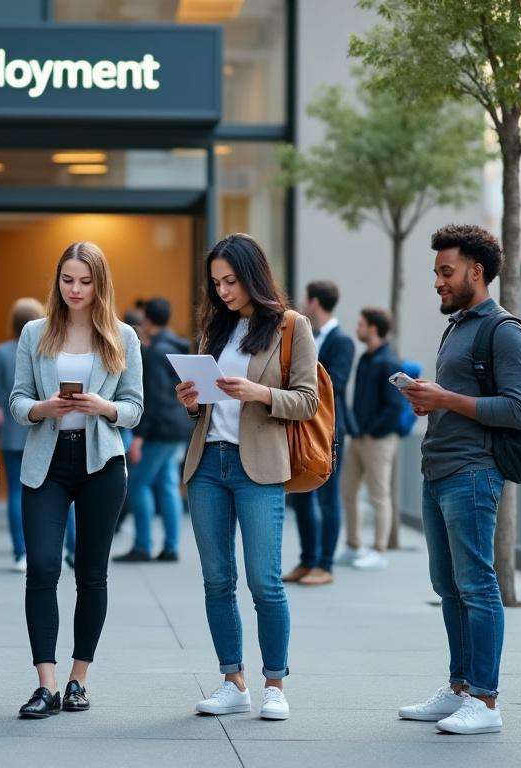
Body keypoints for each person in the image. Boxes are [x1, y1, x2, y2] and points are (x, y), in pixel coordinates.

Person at [177, 232, 319, 722]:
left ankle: (274, 683)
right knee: (217, 580)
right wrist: (193, 403)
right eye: (216, 283)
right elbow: (205, 408)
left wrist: (257, 393)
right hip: (207, 466)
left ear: (253, 277)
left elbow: (308, 400)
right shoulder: (213, 330)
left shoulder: (290, 327)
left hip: (258, 466)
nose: (223, 292)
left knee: (265, 582)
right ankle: (232, 680)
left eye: (231, 281)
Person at [397, 224, 521, 736]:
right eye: (436, 272)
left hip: (473, 474)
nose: (437, 281)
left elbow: (517, 410)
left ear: (477, 271)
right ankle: (459, 688)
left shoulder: (504, 330)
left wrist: (445, 399)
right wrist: (426, 398)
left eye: (445, 271)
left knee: (477, 586)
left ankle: (486, 700)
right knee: (448, 586)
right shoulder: (457, 326)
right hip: (439, 470)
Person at [10, 241, 143, 719]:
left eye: (85, 281)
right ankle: (45, 685)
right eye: (68, 279)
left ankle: (77, 680)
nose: (75, 289)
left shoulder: (122, 336)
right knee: (43, 567)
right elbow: (18, 402)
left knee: (91, 574)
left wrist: (102, 407)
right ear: (57, 280)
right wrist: (45, 408)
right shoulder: (35, 332)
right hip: (46, 462)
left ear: (100, 284)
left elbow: (134, 408)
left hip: (100, 465)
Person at [283, 281, 355, 586]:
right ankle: (307, 560)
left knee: (327, 499)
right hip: (302, 427)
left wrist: (303, 368)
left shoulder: (342, 341)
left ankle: (325, 565)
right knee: (301, 494)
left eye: (305, 300)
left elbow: (335, 382)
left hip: (329, 430)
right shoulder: (305, 336)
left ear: (313, 303)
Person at [114, 297, 191, 563]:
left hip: (159, 429)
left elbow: (153, 398)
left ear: (147, 319)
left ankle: (143, 545)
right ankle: (170, 546)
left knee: (138, 483)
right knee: (168, 484)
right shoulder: (179, 346)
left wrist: (139, 436)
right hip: (178, 425)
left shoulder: (154, 352)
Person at [340, 306, 405, 572]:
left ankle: (378, 551)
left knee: (379, 495)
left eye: (361, 324)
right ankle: (354, 545)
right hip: (358, 437)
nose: (357, 329)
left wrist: (372, 430)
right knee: (348, 491)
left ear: (373, 328)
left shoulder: (389, 362)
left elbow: (395, 406)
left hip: (379, 439)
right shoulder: (365, 358)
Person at [0, 298, 46, 572]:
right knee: (60, 492)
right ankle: (70, 549)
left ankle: (20, 553)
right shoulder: (48, 348)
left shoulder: (1, 352)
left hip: (13, 431)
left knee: (16, 492)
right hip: (46, 430)